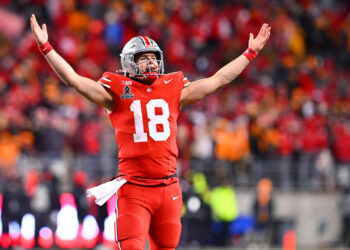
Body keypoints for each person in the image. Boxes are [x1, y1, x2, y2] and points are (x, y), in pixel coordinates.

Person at [30, 13, 271, 250]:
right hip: (134, 188)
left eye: (154, 58)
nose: (151, 63)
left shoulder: (173, 87)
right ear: (129, 62)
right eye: (143, 58)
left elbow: (218, 80)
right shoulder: (116, 90)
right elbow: (73, 80)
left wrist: (249, 54)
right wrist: (47, 48)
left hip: (168, 188)